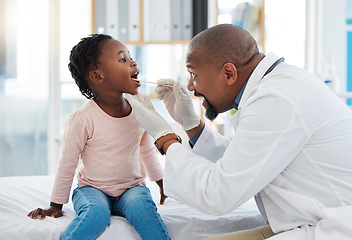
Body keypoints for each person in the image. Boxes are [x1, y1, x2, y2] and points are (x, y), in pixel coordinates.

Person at [125, 24, 352, 240]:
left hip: (334, 229)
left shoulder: (276, 99)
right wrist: (192, 126)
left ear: (229, 73)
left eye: (194, 74)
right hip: (317, 222)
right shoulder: (276, 86)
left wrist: (164, 137)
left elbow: (218, 194)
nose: (191, 87)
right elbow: (241, 164)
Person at [27, 34, 170, 240]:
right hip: (92, 190)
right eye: (123, 59)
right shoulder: (83, 119)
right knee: (96, 214)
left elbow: (146, 149)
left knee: (145, 212)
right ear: (97, 76)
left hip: (132, 189)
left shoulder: (141, 110)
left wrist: (161, 183)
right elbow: (68, 162)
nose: (133, 62)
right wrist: (55, 205)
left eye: (129, 57)